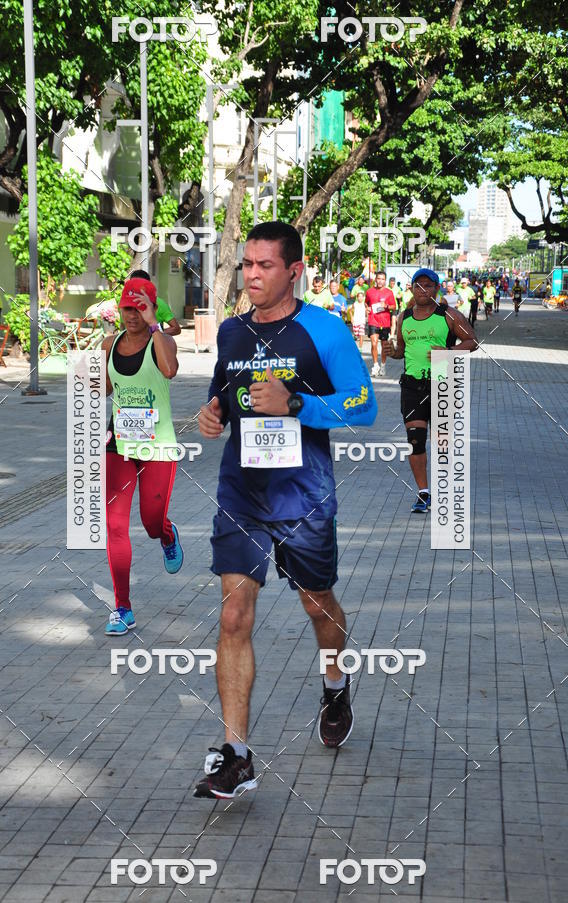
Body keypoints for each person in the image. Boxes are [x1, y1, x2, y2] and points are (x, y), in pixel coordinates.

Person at [194, 221, 377, 799]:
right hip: (241, 494)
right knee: (232, 617)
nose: (251, 275)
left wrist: (298, 402)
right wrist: (213, 414)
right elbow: (224, 392)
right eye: (246, 264)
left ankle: (333, 680)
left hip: (302, 496)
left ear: (293, 271)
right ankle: (236, 753)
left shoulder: (322, 330)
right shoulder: (231, 331)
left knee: (317, 605)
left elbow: (363, 404)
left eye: (264, 266)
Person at [101, 276, 183, 636]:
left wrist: (155, 325)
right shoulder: (109, 344)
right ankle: (122, 607)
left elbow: (169, 370)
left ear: (150, 308)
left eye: (139, 307)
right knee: (115, 525)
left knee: (150, 522)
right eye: (126, 308)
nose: (131, 314)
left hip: (157, 446)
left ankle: (166, 534)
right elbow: (101, 389)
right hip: (119, 445)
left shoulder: (161, 342)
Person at [382, 268, 477, 514]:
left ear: (436, 288)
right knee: (415, 441)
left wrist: (447, 353)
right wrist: (392, 353)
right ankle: (424, 493)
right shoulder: (404, 318)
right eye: (418, 285)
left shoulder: (449, 315)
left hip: (442, 383)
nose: (423, 290)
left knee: (443, 442)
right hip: (413, 385)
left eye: (428, 285)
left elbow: (472, 342)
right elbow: (401, 350)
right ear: (412, 289)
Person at [364, 270, 397, 377]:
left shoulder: (389, 292)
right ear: (375, 279)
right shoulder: (369, 291)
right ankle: (375, 366)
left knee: (384, 345)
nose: (380, 281)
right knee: (373, 343)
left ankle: (383, 365)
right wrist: (367, 308)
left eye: (382, 279)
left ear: (385, 281)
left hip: (385, 322)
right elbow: (366, 302)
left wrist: (386, 306)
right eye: (379, 278)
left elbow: (394, 306)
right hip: (373, 320)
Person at [130, 269, 181, 336]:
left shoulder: (159, 303)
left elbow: (176, 329)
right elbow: (123, 327)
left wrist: (152, 334)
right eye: (132, 284)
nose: (136, 288)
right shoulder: (125, 304)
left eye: (139, 285)